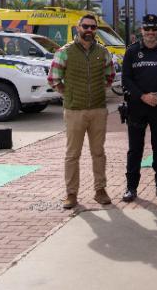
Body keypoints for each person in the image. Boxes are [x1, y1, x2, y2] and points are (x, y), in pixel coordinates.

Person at [48, 14, 115, 209]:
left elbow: (110, 76)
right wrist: (68, 93)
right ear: (78, 28)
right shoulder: (65, 52)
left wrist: (97, 91)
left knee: (98, 153)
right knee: (72, 155)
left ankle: (100, 190)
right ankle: (71, 194)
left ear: (96, 30)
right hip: (74, 111)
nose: (89, 30)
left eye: (93, 27)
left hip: (98, 110)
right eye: (85, 26)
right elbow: (53, 79)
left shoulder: (103, 52)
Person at [120, 14, 157, 203]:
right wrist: (143, 96)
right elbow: (126, 79)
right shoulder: (132, 51)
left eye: (154, 29)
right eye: (147, 29)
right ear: (142, 30)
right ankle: (131, 188)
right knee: (135, 149)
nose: (150, 32)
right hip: (137, 106)